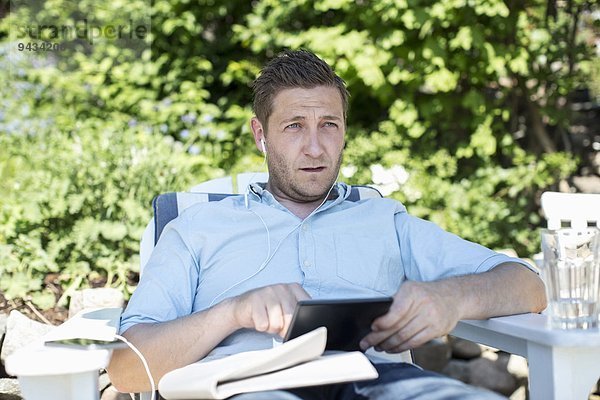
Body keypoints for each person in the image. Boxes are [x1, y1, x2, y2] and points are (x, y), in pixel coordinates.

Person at [108, 49, 547, 399]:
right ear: (260, 135)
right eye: (295, 126)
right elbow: (128, 369)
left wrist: (450, 298)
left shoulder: (383, 219)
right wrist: (233, 312)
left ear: (344, 132)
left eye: (329, 126)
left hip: (379, 381)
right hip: (248, 386)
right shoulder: (196, 228)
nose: (315, 148)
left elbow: (529, 286)